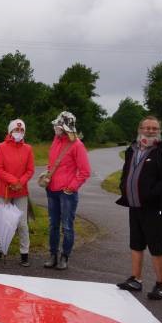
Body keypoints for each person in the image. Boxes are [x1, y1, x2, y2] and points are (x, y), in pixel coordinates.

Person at [116, 116, 162, 300]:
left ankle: (161, 285)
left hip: (157, 207)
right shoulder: (132, 149)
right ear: (140, 129)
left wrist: (154, 192)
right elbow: (126, 172)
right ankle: (135, 279)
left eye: (154, 128)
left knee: (157, 247)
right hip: (135, 205)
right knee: (136, 243)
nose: (150, 131)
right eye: (147, 128)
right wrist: (124, 187)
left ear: (159, 130)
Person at [44, 111, 90, 270]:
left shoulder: (77, 144)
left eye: (57, 125)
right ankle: (53, 254)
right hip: (51, 189)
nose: (54, 127)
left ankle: (65, 256)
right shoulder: (55, 141)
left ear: (64, 128)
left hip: (67, 193)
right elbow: (53, 164)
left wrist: (71, 187)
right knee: (53, 225)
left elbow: (85, 171)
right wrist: (47, 175)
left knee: (67, 226)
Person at [0, 119, 34, 266]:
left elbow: (30, 170)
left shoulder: (28, 149)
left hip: (21, 191)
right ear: (10, 131)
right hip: (4, 190)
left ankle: (24, 253)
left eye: (21, 131)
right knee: (1, 221)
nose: (19, 133)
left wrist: (20, 182)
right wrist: (13, 181)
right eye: (16, 130)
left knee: (22, 223)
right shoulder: (1, 147)